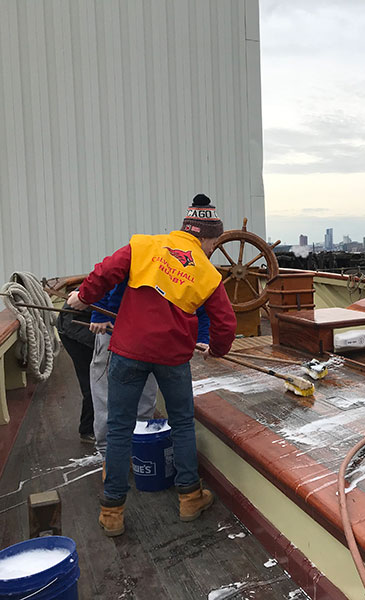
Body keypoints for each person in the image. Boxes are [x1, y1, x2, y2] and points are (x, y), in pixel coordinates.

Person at [67, 194, 237, 536]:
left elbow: (105, 271)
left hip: (128, 350)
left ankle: (112, 511)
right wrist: (217, 349)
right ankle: (189, 497)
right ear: (207, 238)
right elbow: (226, 323)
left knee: (119, 428)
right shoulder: (207, 273)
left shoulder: (145, 245)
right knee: (182, 424)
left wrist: (82, 298)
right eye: (214, 243)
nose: (213, 249)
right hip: (172, 358)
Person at [87, 282, 212, 460]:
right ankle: (109, 456)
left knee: (145, 398)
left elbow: (199, 303)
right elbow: (107, 277)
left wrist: (202, 337)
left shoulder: (189, 264)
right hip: (115, 333)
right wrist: (99, 312)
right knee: (108, 400)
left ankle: (138, 448)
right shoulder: (138, 256)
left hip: (155, 340)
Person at [56, 307, 95, 443]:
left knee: (98, 379)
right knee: (92, 381)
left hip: (84, 322)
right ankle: (87, 429)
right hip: (74, 330)